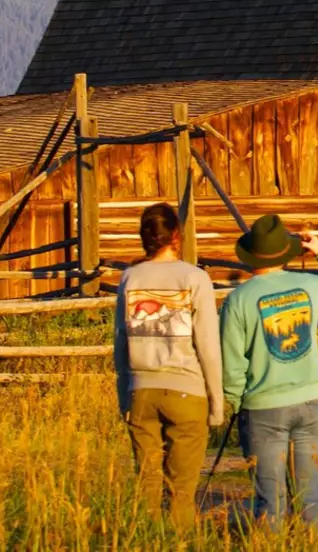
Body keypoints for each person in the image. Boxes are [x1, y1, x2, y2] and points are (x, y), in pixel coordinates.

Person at [221, 212, 318, 527]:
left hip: (263, 408)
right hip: (308, 403)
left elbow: (231, 363)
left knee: (271, 503)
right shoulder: (311, 285)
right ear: (287, 252)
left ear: (251, 255)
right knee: (309, 499)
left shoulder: (238, 300)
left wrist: (238, 403)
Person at [112, 201, 226, 533]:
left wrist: (124, 396)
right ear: (176, 235)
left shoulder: (130, 278)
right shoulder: (194, 277)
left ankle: (146, 538)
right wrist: (216, 401)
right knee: (182, 488)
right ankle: (179, 539)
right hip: (186, 390)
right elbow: (207, 343)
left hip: (141, 390)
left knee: (147, 480)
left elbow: (121, 339)